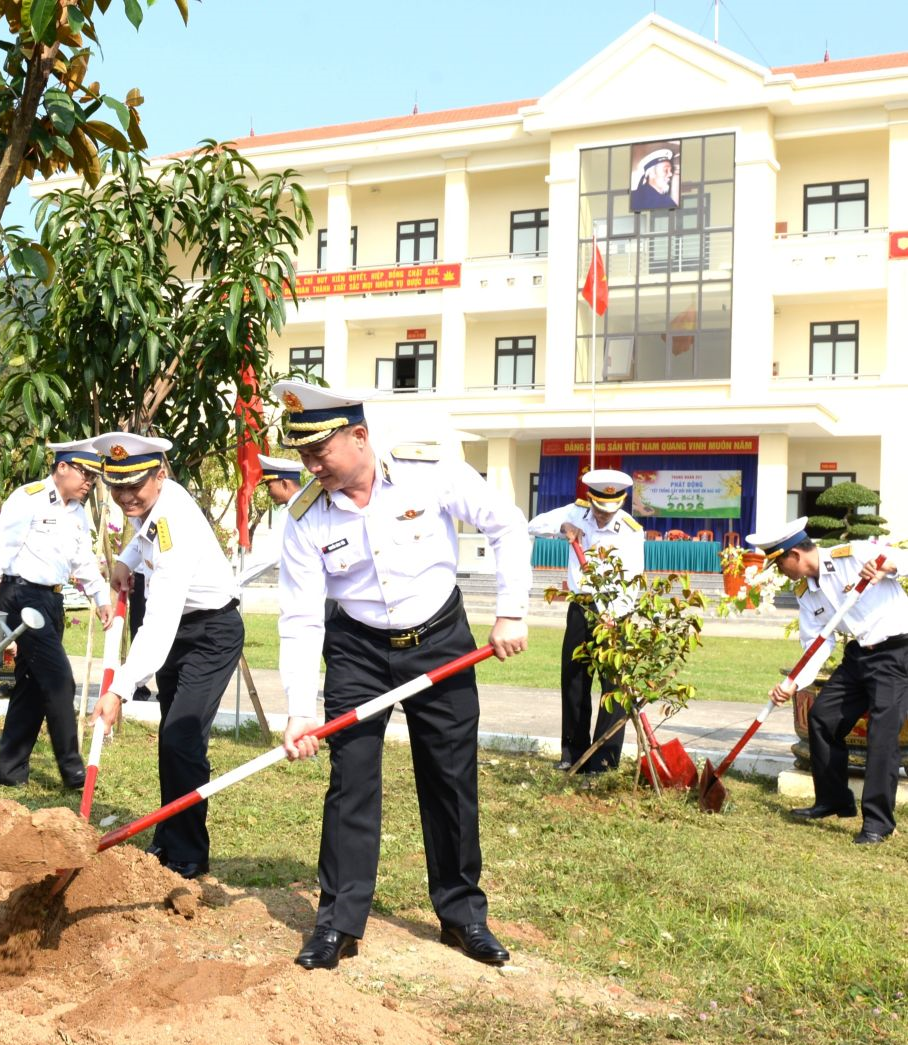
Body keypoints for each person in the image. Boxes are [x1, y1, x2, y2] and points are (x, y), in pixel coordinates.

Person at [272, 379, 530, 970]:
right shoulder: (305, 517)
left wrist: (511, 610)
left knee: (450, 777)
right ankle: (338, 924)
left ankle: (463, 917)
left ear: (359, 436)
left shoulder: (426, 470)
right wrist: (300, 709)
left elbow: (506, 523)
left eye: (320, 451)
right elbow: (301, 616)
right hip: (357, 650)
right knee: (351, 780)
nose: (311, 466)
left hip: (440, 641)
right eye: (304, 455)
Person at [89, 432, 243, 879]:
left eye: (134, 486)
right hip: (180, 632)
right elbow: (143, 537)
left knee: (182, 737)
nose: (125, 497)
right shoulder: (155, 504)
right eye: (116, 487)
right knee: (172, 740)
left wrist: (119, 690)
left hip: (210, 634)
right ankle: (169, 835)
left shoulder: (175, 523)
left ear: (159, 475)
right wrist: (126, 560)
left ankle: (190, 853)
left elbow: (159, 622)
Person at [0, 442, 113, 790]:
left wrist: (100, 596)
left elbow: (82, 559)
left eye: (94, 478)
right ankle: (73, 769)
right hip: (22, 596)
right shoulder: (29, 498)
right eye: (85, 474)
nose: (89, 483)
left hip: (52, 599)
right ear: (62, 467)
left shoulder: (77, 511)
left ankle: (9, 770)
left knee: (33, 685)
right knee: (60, 679)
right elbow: (0, 548)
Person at [757, 520, 908, 844]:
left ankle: (878, 823)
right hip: (859, 657)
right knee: (823, 718)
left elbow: (903, 561)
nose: (780, 571)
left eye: (779, 563)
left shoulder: (852, 555)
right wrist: (794, 683)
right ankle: (834, 799)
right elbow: (817, 643)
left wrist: (887, 567)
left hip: (896, 653)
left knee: (882, 735)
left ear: (795, 555)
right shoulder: (806, 594)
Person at [528, 468, 645, 773]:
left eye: (610, 510)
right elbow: (533, 525)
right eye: (599, 509)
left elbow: (633, 582)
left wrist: (613, 614)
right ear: (591, 500)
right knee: (574, 681)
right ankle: (573, 753)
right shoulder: (576, 512)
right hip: (581, 608)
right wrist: (564, 527)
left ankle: (603, 760)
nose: (603, 515)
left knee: (613, 687)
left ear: (620, 503)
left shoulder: (631, 531)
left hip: (615, 614)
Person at [236, 455, 306, 588]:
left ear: (284, 483)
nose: (269, 493)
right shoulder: (310, 504)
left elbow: (269, 556)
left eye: (269, 487)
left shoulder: (293, 512)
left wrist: (235, 583)